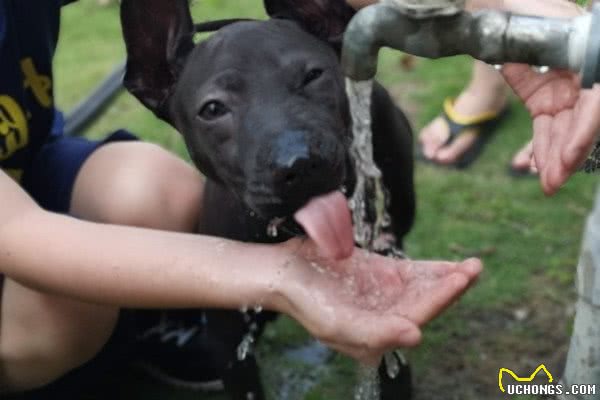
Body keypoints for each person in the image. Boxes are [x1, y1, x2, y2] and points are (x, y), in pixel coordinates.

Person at [0, 0, 482, 393]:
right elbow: (17, 233)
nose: (293, 159)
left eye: (311, 77)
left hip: (27, 163)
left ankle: (142, 327)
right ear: (157, 80)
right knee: (66, 305)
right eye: (215, 108)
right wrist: (271, 274)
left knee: (156, 189)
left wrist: (503, 7)